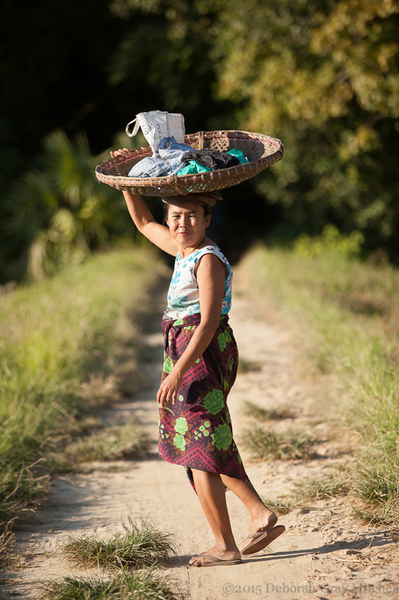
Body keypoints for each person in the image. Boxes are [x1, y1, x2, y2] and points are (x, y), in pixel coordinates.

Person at [112, 149, 285, 567]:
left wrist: (176, 374)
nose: (181, 224)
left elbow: (207, 323)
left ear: (207, 220)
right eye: (175, 216)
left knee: (204, 441)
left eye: (190, 216)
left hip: (201, 354)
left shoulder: (207, 259)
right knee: (197, 448)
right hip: (186, 353)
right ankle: (227, 541)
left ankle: (256, 513)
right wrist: (124, 182)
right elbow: (141, 222)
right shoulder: (181, 250)